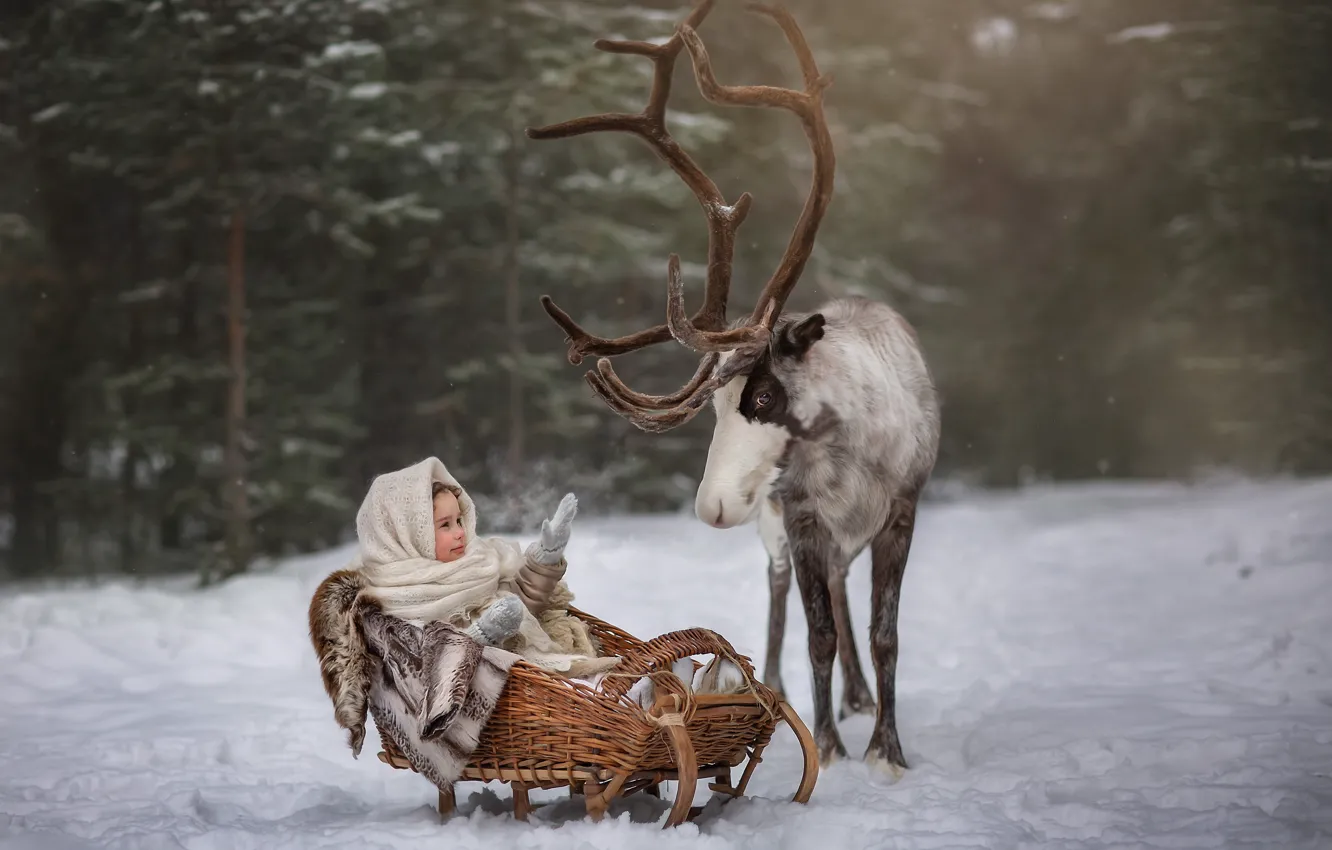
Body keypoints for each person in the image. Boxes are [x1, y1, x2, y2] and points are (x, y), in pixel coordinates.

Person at [349, 456, 617, 678]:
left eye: (459, 520)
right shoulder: (390, 599)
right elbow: (420, 672)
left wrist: (546, 556)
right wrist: (479, 636)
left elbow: (522, 605)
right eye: (445, 525)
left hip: (532, 686)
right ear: (408, 534)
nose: (459, 533)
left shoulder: (478, 562)